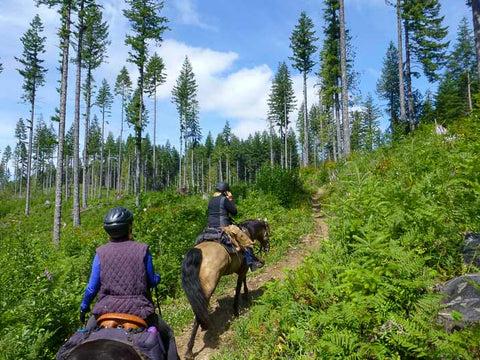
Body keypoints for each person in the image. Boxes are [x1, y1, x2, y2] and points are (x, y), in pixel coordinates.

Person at [79, 207, 178, 359]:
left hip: (105, 309)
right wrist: (157, 278)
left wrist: (84, 307)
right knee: (168, 335)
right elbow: (151, 281)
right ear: (129, 227)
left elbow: (92, 288)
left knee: (83, 339)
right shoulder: (142, 249)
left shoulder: (100, 253)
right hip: (139, 310)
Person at [207, 182, 264, 271]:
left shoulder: (211, 200)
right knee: (246, 242)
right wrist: (230, 199)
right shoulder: (224, 199)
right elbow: (234, 212)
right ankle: (251, 263)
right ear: (225, 191)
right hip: (224, 227)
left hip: (210, 227)